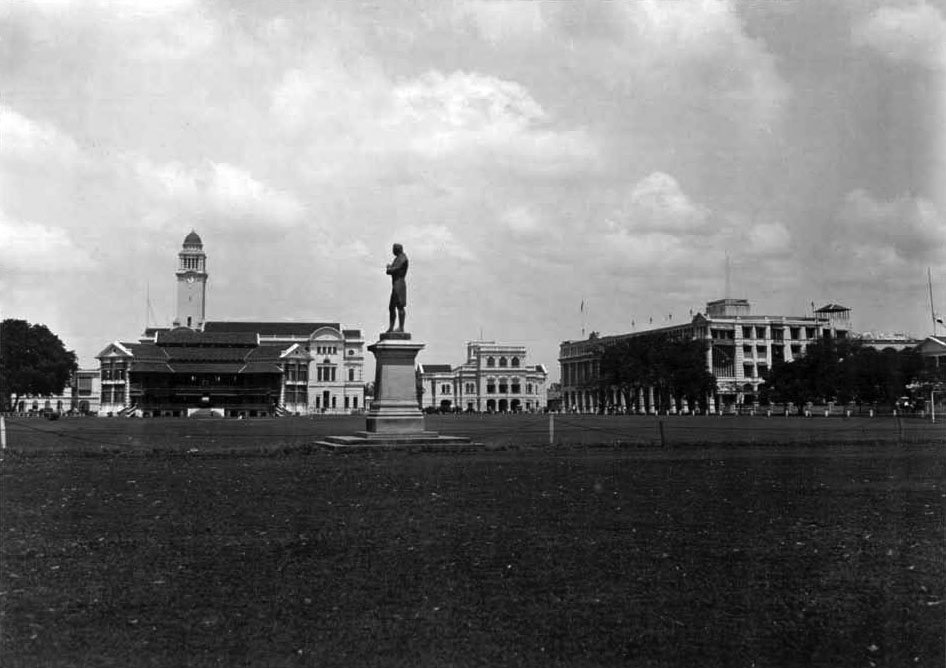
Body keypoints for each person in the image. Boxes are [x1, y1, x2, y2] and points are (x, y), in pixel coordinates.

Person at [386, 243, 408, 332]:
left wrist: (389, 268)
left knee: (400, 305)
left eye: (394, 249)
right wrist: (390, 268)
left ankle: (401, 327)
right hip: (395, 283)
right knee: (392, 307)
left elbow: (395, 269)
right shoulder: (398, 258)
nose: (393, 251)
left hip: (399, 284)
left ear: (397, 249)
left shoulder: (403, 258)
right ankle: (391, 327)